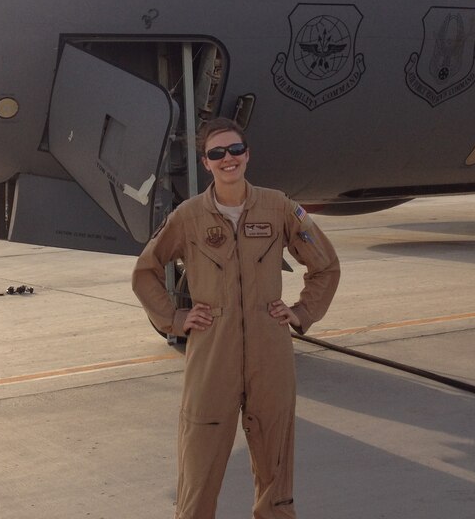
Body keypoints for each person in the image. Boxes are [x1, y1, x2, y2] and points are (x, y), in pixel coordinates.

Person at [131, 118, 341, 519]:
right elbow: (146, 271)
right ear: (206, 162)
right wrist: (175, 318)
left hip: (271, 350)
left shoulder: (279, 207)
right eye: (217, 153)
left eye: (235, 150)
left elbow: (325, 266)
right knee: (200, 460)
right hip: (212, 351)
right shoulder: (188, 216)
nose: (228, 159)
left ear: (247, 154)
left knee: (276, 462)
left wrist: (300, 313)